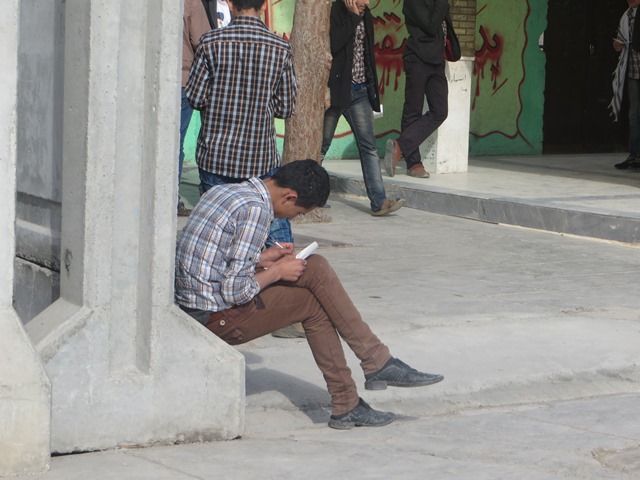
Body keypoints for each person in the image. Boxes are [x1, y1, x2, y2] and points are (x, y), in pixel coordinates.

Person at [175, 159, 444, 429]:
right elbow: (235, 291)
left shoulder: (228, 191)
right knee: (314, 297)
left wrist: (261, 259)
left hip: (195, 307)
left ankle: (368, 375)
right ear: (289, 197)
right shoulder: (256, 210)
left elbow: (215, 259)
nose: (291, 219)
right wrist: (277, 271)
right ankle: (367, 376)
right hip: (212, 318)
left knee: (315, 269)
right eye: (298, 212)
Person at [185, 0, 297, 244]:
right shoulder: (280, 48)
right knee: (273, 232)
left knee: (215, 236)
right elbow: (286, 108)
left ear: (230, 3)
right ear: (264, 5)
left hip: (216, 157)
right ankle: (283, 267)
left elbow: (195, 97)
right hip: (260, 160)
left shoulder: (210, 43)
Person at [321, 0, 405, 216]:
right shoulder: (334, 12)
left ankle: (379, 201)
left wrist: (371, 89)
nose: (366, 2)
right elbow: (334, 44)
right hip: (336, 91)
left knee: (369, 147)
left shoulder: (366, 15)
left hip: (360, 91)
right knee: (321, 145)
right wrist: (352, 17)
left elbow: (367, 55)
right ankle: (307, 198)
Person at [383, 0, 452, 180]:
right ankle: (413, 163)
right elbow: (431, 26)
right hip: (418, 58)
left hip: (437, 59)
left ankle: (400, 145)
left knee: (440, 111)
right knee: (412, 111)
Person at [178, 0, 214, 216]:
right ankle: (170, 198)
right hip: (182, 80)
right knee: (175, 143)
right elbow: (203, 42)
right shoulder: (191, 2)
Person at [611, 0, 640, 171]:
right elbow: (621, 40)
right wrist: (618, 45)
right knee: (634, 115)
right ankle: (634, 155)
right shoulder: (626, 16)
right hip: (633, 72)